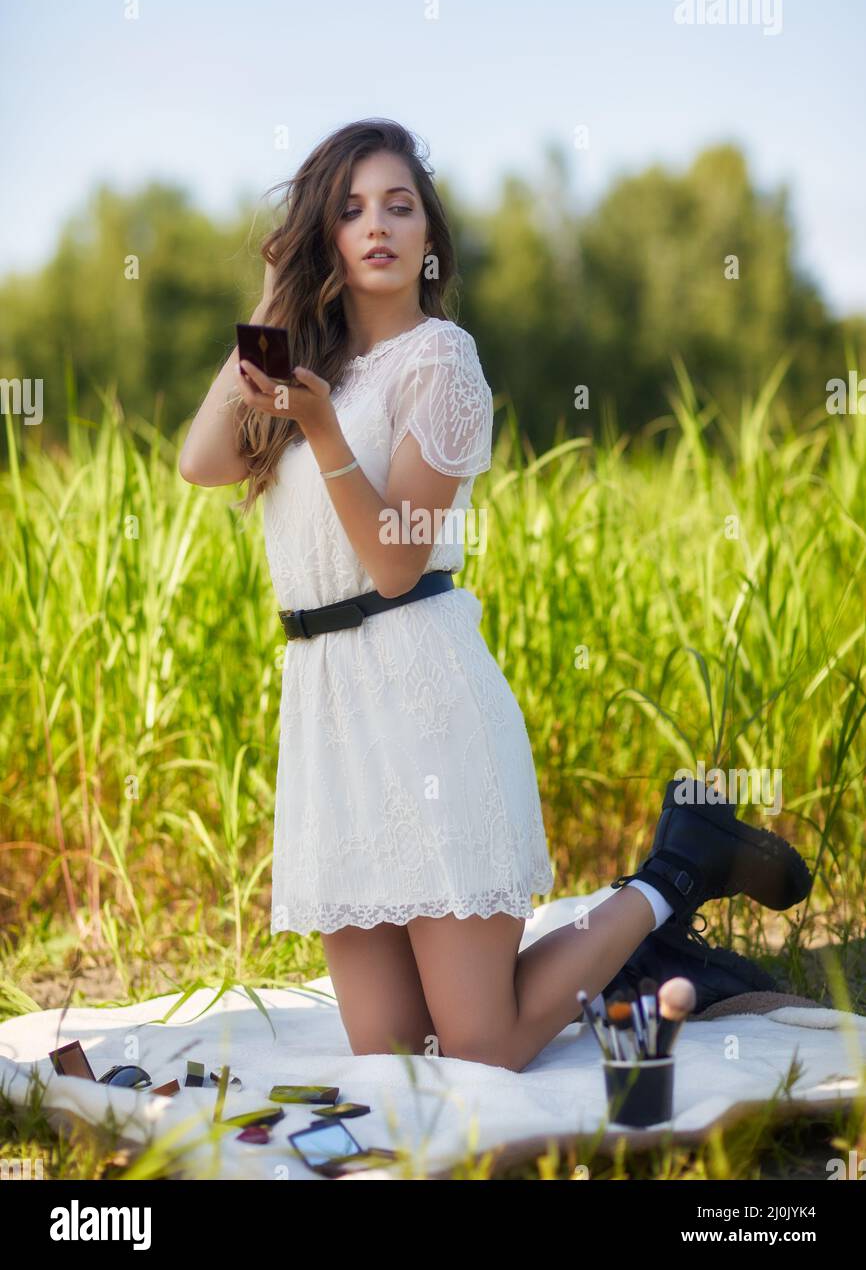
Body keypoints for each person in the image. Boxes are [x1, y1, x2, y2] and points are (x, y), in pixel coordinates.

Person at [179, 118, 812, 1072]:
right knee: (389, 1057)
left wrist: (323, 430)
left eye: (400, 206)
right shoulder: (308, 369)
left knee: (480, 1049)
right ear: (326, 239)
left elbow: (396, 562)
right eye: (350, 211)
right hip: (331, 716)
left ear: (430, 238)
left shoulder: (444, 362)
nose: (378, 226)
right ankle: (639, 954)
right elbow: (200, 463)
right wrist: (274, 302)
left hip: (424, 699)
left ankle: (674, 870)